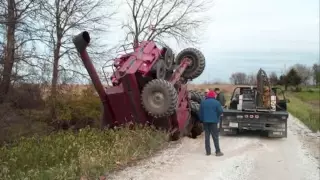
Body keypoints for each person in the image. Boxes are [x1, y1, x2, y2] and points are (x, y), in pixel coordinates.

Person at [199, 90, 224, 156]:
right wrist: (217, 117)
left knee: (207, 137)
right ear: (213, 96)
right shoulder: (217, 102)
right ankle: (218, 151)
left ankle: (208, 152)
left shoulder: (203, 102)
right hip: (213, 122)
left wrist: (201, 120)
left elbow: (200, 113)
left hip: (205, 122)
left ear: (207, 96)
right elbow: (220, 111)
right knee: (215, 137)